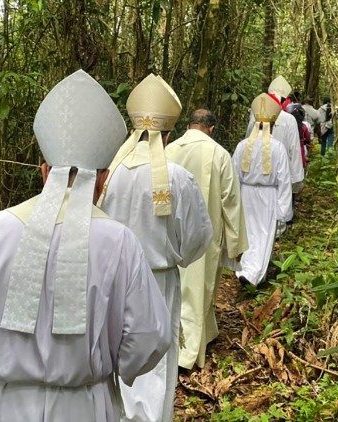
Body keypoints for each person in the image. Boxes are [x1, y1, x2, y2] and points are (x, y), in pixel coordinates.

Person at [0, 70, 172, 421]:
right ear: (103, 180)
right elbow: (148, 338)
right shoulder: (119, 242)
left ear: (44, 172)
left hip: (5, 405)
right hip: (85, 405)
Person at [101, 74, 213, 422]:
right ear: (168, 134)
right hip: (158, 282)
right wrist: (173, 256)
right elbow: (198, 238)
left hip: (110, 280)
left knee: (113, 354)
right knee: (154, 365)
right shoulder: (176, 178)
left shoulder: (107, 174)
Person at [164, 109, 248, 371]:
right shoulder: (219, 153)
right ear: (211, 129)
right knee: (200, 288)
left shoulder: (168, 150)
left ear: (190, 125)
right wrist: (236, 244)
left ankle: (179, 340)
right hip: (204, 234)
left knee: (175, 286)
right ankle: (188, 354)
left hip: (169, 233)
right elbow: (230, 201)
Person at [233, 93, 293, 286]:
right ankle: (253, 274)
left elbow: (233, 176)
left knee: (249, 232)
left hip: (246, 194)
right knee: (263, 235)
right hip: (269, 196)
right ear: (273, 125)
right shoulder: (278, 148)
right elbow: (284, 179)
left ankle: (247, 270)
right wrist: (284, 210)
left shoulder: (242, 146)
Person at [246, 75, 304, 196]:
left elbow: (248, 142)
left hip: (253, 176)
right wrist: (296, 181)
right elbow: (294, 150)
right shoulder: (289, 119)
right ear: (284, 99)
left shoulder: (255, 115)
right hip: (280, 178)